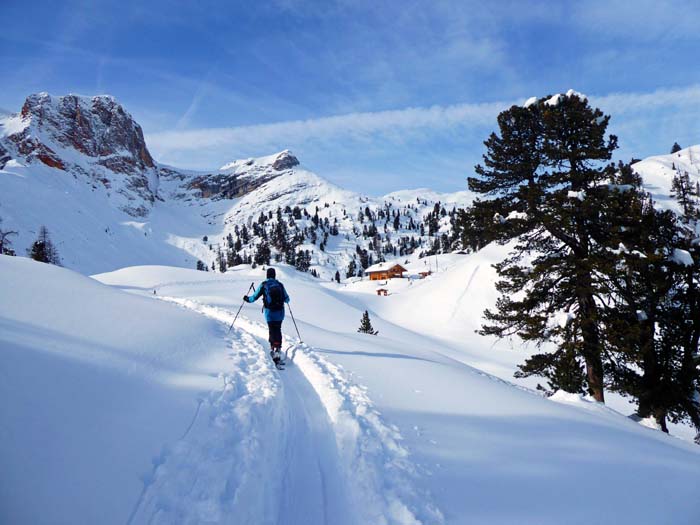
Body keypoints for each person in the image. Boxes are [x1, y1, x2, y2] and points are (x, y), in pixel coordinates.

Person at [243, 268, 290, 366]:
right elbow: (287, 299)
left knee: (272, 330)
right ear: (275, 275)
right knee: (278, 329)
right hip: (280, 312)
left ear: (267, 275)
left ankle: (273, 348)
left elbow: (253, 298)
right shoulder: (280, 285)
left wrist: (247, 299)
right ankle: (278, 348)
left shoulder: (264, 285)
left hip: (270, 313)